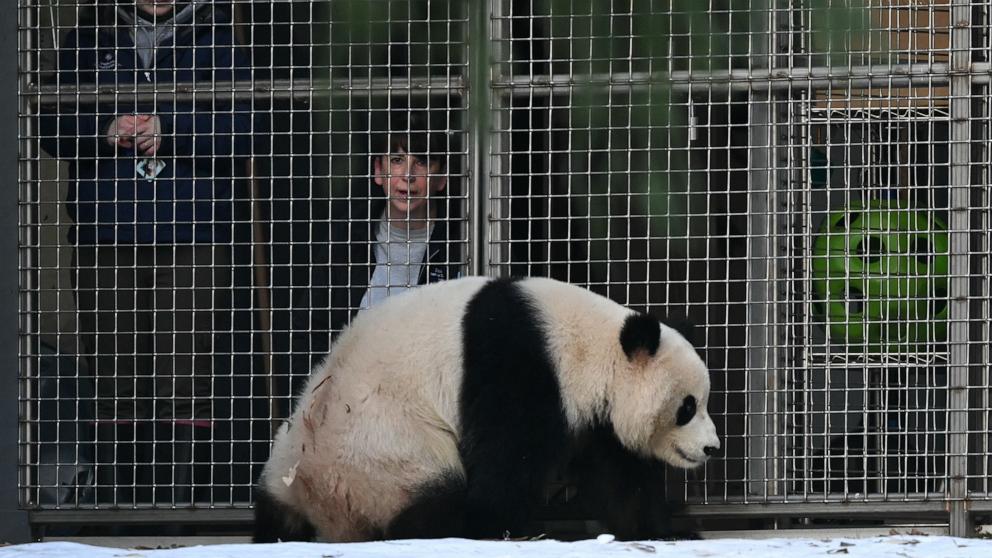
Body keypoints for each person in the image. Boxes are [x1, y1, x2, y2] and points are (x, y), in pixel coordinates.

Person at [38, 0, 257, 506]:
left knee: (184, 378)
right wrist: (105, 131)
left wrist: (170, 130)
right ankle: (115, 510)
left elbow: (250, 128)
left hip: (194, 235)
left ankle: (176, 512)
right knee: (113, 376)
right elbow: (47, 122)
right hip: (106, 232)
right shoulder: (88, 35)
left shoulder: (217, 36)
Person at [290, 110, 463, 385]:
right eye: (397, 160)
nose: (408, 175)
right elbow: (307, 332)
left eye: (422, 162)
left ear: (441, 179)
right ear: (379, 172)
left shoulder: (461, 245)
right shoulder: (347, 240)